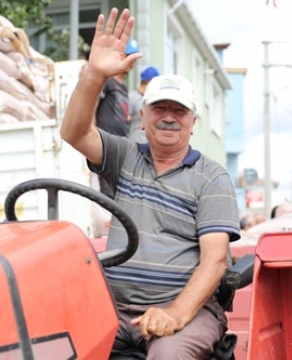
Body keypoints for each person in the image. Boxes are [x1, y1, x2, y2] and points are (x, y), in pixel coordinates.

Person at [60, 8, 241, 360]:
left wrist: (175, 314)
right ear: (142, 117)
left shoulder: (212, 177)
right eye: (159, 108)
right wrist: (95, 73)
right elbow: (74, 132)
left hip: (186, 313)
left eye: (179, 110)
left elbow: (215, 261)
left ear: (193, 122)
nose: (169, 117)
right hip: (110, 307)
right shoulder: (124, 156)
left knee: (168, 356)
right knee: (53, 345)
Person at [94, 37, 139, 200]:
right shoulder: (107, 81)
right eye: (128, 56)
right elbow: (93, 105)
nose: (131, 62)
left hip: (120, 142)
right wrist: (91, 132)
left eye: (133, 57)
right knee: (107, 190)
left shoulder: (123, 87)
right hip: (105, 139)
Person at [128, 65, 160, 144]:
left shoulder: (153, 100)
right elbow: (124, 122)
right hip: (134, 145)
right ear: (150, 81)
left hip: (151, 147)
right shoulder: (131, 97)